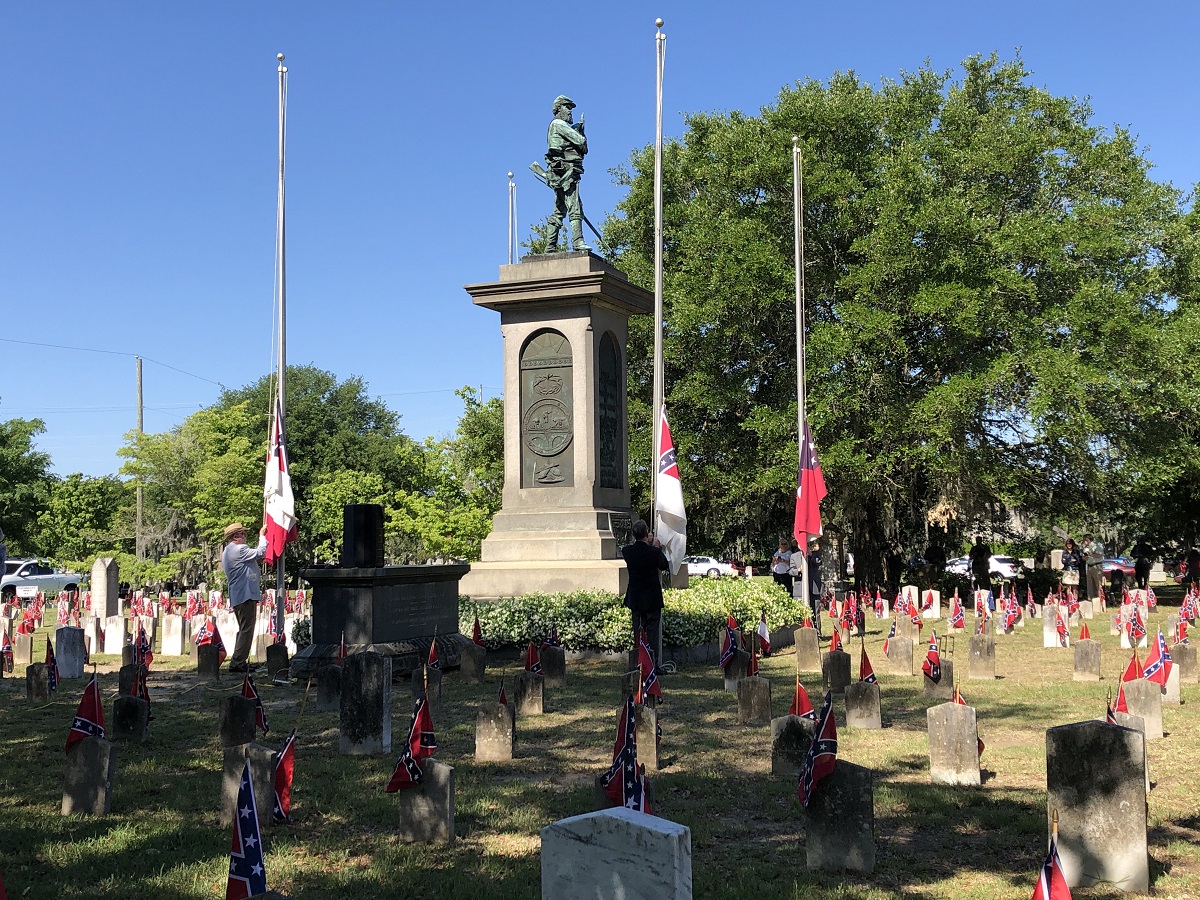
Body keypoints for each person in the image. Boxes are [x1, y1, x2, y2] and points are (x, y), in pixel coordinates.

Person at [221, 521, 268, 673]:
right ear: (235, 536)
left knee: (243, 629)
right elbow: (260, 552)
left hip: (239, 594)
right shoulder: (240, 549)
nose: (245, 536)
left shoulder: (228, 550)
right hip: (245, 594)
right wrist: (262, 536)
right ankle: (238, 662)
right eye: (243, 533)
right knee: (247, 629)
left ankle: (239, 658)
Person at [545, 95, 589, 252]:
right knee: (574, 206)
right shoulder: (559, 124)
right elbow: (581, 143)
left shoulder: (557, 126)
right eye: (567, 107)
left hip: (561, 174)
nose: (570, 111)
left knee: (559, 210)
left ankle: (550, 246)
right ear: (558, 109)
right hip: (566, 174)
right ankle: (578, 242)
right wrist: (580, 132)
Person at [620, 519, 669, 662]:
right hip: (651, 598)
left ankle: (638, 662)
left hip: (635, 598)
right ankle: (653, 664)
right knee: (652, 634)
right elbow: (664, 565)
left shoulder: (627, 551)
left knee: (638, 633)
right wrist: (656, 547)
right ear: (647, 533)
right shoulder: (653, 552)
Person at [968, 536, 993, 608]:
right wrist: (974, 556)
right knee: (976, 579)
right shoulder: (974, 548)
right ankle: (976, 591)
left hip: (984, 565)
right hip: (976, 566)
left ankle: (987, 590)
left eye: (979, 540)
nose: (978, 541)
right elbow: (970, 556)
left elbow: (989, 554)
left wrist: (983, 558)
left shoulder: (985, 547)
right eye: (977, 540)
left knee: (986, 579)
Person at [1080, 533, 1105, 604]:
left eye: (1084, 540)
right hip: (1089, 566)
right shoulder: (1086, 547)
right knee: (1090, 585)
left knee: (1098, 584)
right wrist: (1084, 557)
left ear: (1087, 539)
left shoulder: (1097, 545)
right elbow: (1085, 557)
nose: (1084, 541)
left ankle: (1100, 600)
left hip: (1096, 566)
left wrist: (1090, 554)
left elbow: (1099, 555)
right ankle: (1090, 600)